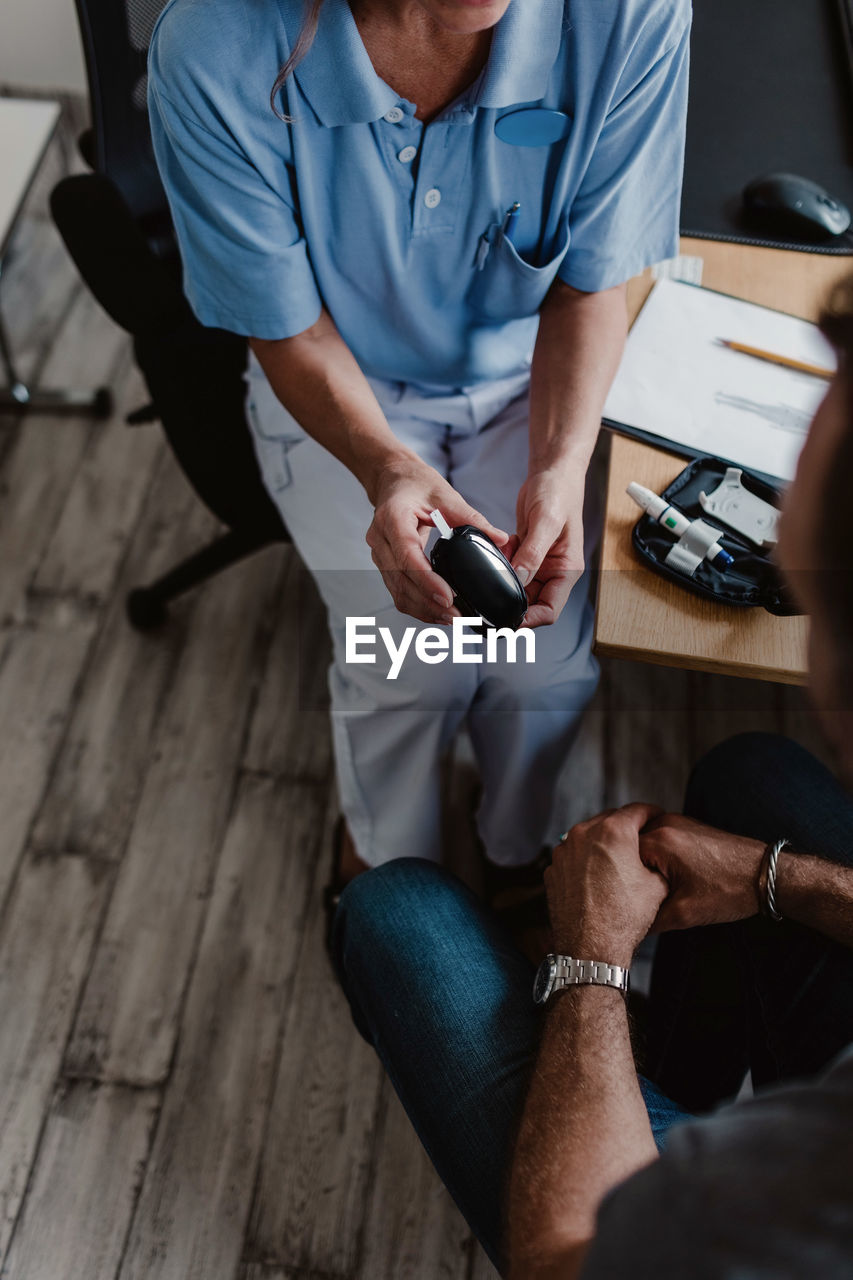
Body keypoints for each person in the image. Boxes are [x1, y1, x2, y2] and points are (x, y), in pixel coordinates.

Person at [331, 277, 853, 1278]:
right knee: (752, 775)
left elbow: (566, 1259)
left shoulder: (808, 1188)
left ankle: (605, 1042)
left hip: (627, 1230)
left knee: (394, 908)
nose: (778, 541)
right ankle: (666, 1071)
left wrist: (592, 964)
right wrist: (778, 874)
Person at [146, 0, 691, 905]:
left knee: (545, 660)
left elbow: (592, 285)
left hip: (529, 382)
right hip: (344, 386)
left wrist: (557, 469)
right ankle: (387, 861)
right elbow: (288, 331)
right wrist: (385, 465)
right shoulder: (214, 42)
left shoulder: (630, 14)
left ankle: (519, 847)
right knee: (403, 663)